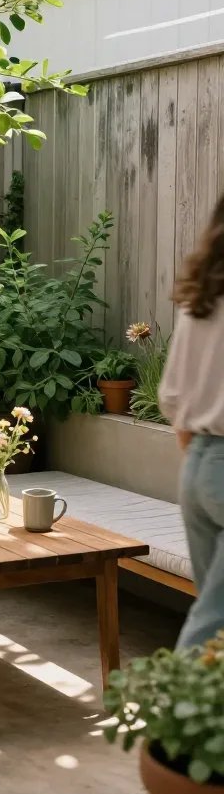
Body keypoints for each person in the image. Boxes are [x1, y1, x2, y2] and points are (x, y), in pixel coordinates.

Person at [159, 194, 224, 650]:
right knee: (210, 628)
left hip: (198, 465)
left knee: (215, 625)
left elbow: (174, 398)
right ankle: (175, 721)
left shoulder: (199, 301)